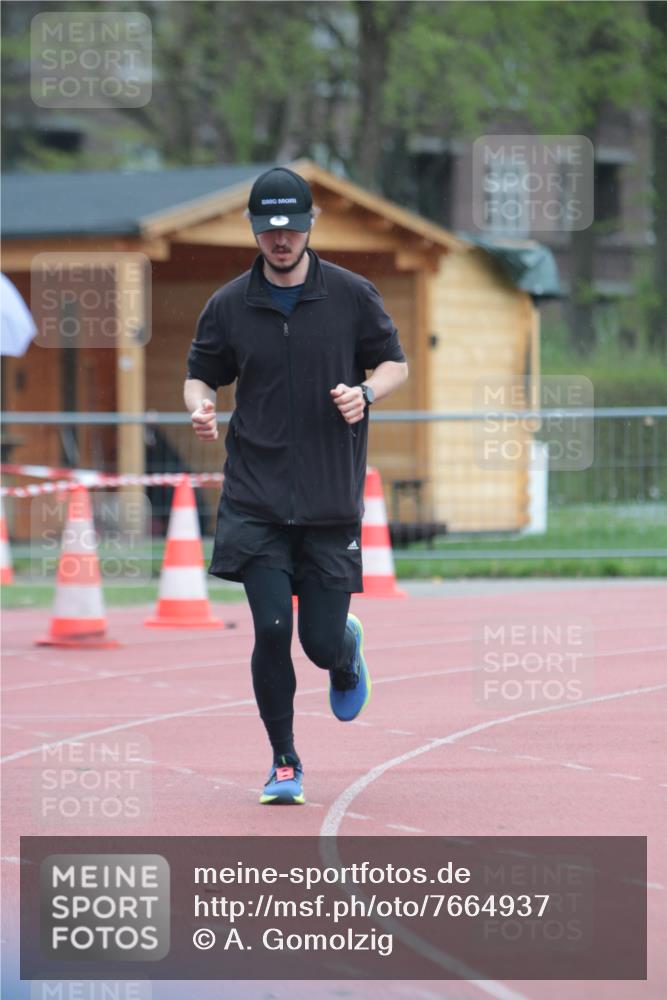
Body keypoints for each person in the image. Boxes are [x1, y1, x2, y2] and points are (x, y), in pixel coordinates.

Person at [184, 166, 408, 804]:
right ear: (254, 231)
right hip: (255, 498)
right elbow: (200, 374)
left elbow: (395, 363)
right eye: (268, 229)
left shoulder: (351, 294)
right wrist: (199, 405)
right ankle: (284, 761)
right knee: (273, 629)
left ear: (310, 226)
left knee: (316, 642)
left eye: (290, 228)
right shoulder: (230, 304)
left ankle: (344, 649)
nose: (279, 240)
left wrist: (366, 392)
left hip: (330, 500)